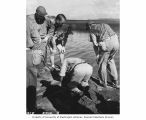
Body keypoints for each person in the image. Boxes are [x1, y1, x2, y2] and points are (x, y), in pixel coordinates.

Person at [26, 6, 55, 112]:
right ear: (36, 13)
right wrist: (31, 43)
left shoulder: (47, 20)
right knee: (33, 63)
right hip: (32, 43)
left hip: (43, 41)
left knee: (42, 60)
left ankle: (39, 73)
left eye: (43, 16)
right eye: (40, 16)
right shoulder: (28, 19)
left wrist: (48, 36)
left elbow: (52, 28)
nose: (42, 18)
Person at [88, 23, 119, 88]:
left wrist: (97, 55)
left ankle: (104, 84)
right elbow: (114, 35)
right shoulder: (104, 24)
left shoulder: (92, 29)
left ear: (89, 26)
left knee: (102, 64)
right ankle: (115, 83)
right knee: (110, 61)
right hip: (116, 43)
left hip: (107, 44)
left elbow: (95, 45)